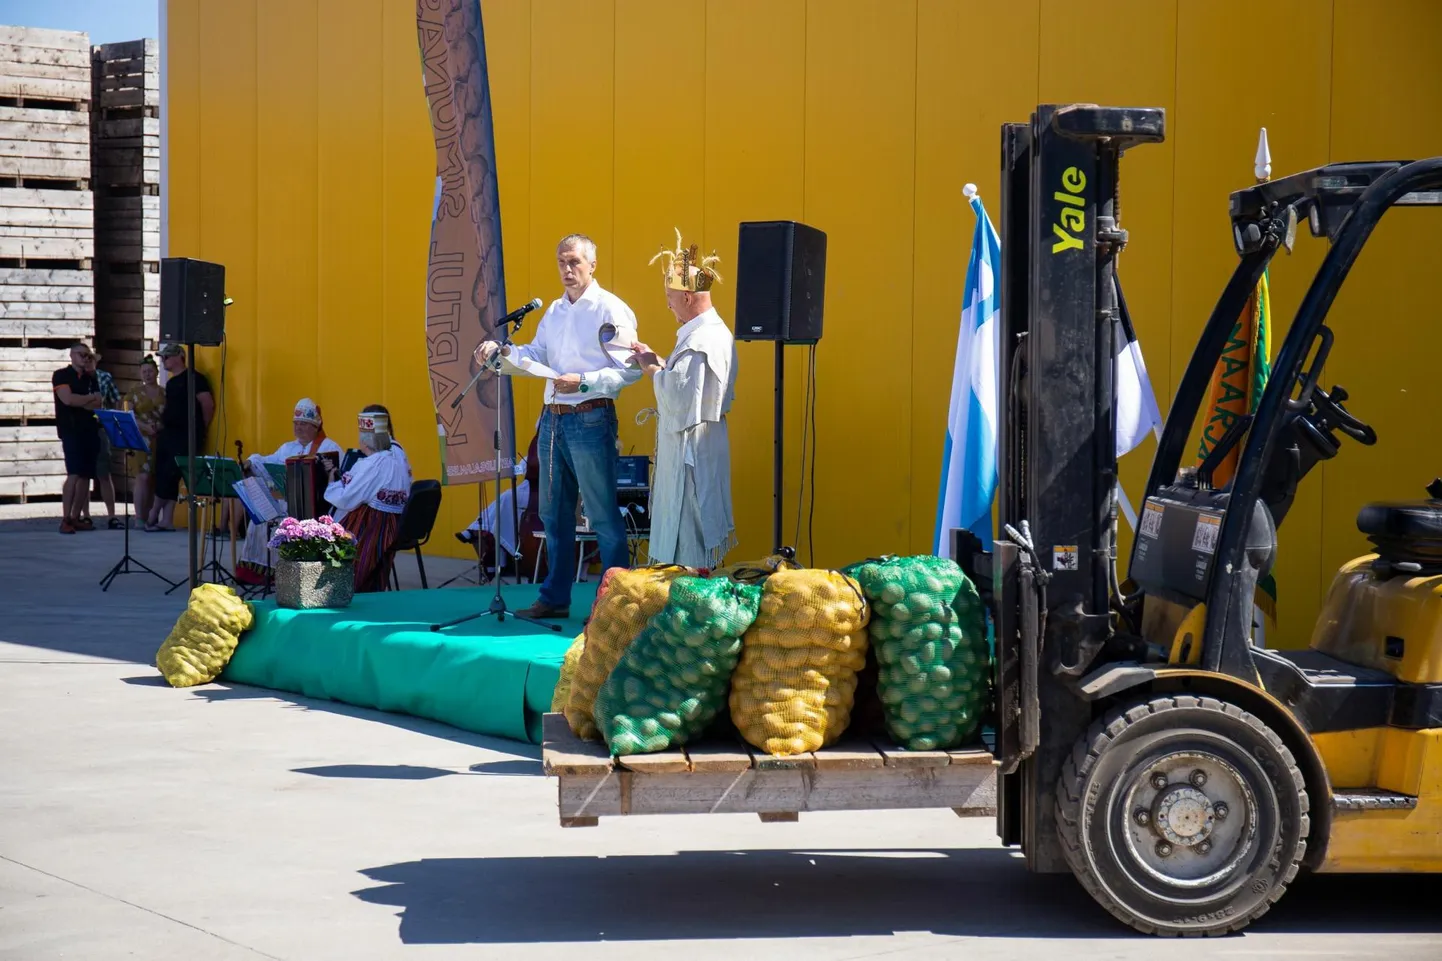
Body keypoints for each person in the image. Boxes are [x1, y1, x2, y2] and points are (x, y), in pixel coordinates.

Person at [474, 233, 643, 618]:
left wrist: (583, 382)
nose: (567, 270)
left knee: (601, 514)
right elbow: (537, 353)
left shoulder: (610, 309)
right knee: (553, 514)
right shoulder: (554, 310)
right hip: (553, 418)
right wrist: (506, 353)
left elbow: (630, 371)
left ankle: (615, 607)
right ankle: (554, 598)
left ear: (592, 265)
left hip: (590, 414)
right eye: (562, 263)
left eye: (575, 262)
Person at [631, 229, 737, 569]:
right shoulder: (716, 332)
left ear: (688, 298)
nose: (667, 304)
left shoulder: (700, 340)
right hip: (706, 443)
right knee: (693, 526)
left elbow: (679, 402)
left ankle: (688, 602)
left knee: (688, 532)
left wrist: (651, 369)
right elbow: (691, 387)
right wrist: (661, 364)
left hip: (691, 452)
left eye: (670, 296)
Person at [235, 398, 343, 585]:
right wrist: (251, 462)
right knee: (261, 518)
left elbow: (339, 478)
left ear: (315, 426)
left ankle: (284, 574)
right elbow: (268, 462)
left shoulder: (329, 447)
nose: (298, 428)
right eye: (296, 423)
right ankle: (259, 572)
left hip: (315, 507)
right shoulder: (288, 448)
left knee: (281, 523)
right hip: (288, 503)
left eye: (304, 424)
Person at [324, 404, 412, 593]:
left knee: (330, 531)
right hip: (394, 523)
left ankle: (335, 589)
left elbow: (347, 498)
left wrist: (332, 484)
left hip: (374, 523)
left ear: (365, 442)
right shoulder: (396, 454)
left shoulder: (374, 463)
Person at [147, 343, 214, 532]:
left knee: (171, 473)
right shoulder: (171, 382)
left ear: (179, 357)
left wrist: (200, 429)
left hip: (185, 435)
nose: (164, 361)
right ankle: (167, 519)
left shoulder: (194, 378)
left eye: (167, 357)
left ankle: (154, 513)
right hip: (168, 434)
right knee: (164, 473)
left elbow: (207, 404)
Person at [457, 431, 539, 573]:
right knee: (503, 504)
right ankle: (477, 528)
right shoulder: (537, 447)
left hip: (543, 494)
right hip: (529, 491)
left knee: (507, 498)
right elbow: (520, 469)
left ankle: (475, 527)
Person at [51, 343, 101, 534]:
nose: (86, 358)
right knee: (73, 473)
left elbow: (97, 402)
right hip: (71, 430)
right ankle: (65, 518)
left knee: (86, 476)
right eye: (82, 355)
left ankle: (75, 516)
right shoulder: (61, 375)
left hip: (89, 429)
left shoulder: (90, 378)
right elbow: (68, 400)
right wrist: (87, 398)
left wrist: (83, 400)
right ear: (71, 355)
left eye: (89, 356)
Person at [80, 350, 122, 530]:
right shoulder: (77, 378)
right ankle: (86, 515)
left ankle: (112, 515)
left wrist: (113, 419)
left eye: (91, 359)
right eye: (85, 359)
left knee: (104, 473)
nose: (88, 363)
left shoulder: (104, 377)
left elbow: (116, 399)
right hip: (81, 428)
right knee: (83, 474)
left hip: (100, 427)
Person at [125, 355, 166, 526]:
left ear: (156, 371)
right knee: (142, 476)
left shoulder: (164, 392)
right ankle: (139, 517)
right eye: (144, 372)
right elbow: (128, 414)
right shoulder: (133, 393)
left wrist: (160, 427)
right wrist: (144, 426)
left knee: (154, 477)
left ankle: (151, 516)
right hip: (140, 438)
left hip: (160, 438)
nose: (147, 374)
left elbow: (171, 415)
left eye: (150, 371)